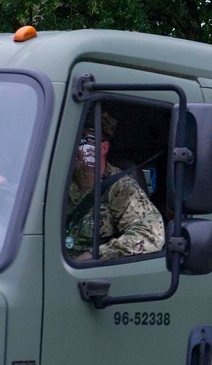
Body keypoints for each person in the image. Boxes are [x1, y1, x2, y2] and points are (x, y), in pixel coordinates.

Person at [66, 112, 165, 261]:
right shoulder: (57, 180)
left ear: (103, 148)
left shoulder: (121, 187)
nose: (73, 147)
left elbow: (150, 235)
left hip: (89, 276)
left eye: (81, 140)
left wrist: (96, 255)